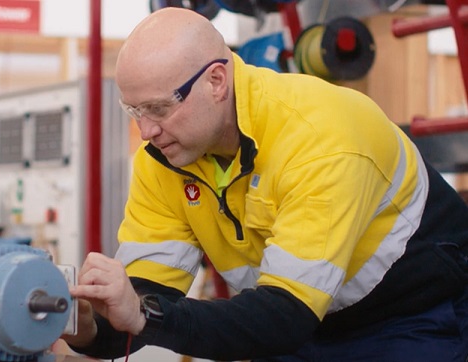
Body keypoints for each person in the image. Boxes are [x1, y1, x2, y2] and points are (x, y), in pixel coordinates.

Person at [62, 7, 468, 362]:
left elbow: (283, 317)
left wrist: (143, 315)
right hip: (295, 324)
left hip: (411, 316)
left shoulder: (321, 139)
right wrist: (91, 329)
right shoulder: (163, 161)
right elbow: (146, 299)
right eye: (134, 110)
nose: (146, 130)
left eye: (158, 108)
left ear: (217, 81)